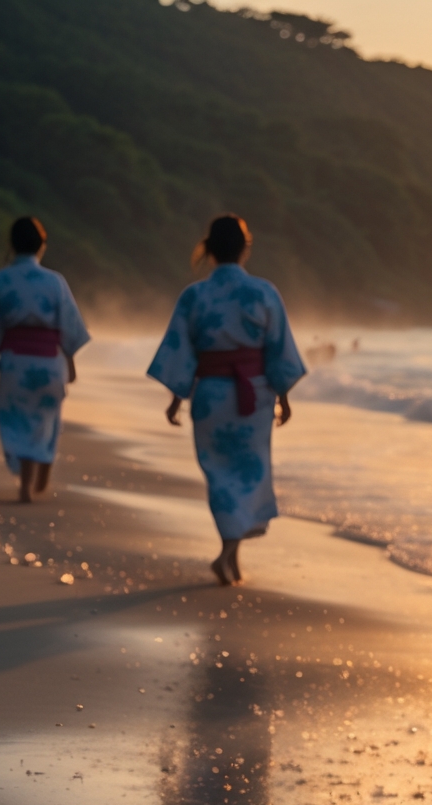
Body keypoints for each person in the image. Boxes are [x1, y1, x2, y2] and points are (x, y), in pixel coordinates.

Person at [146, 214, 305, 587]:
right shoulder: (264, 292)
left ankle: (229, 555)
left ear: (209, 249)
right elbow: (278, 351)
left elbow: (179, 353)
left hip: (211, 396)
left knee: (219, 475)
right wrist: (283, 396)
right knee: (249, 473)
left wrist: (175, 399)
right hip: (254, 394)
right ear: (246, 248)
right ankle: (228, 557)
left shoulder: (194, 296)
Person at [0, 216, 91, 503]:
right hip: (50, 363)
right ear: (41, 246)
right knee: (46, 418)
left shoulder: (1, 280)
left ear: (12, 244)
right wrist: (71, 366)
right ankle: (42, 463)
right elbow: (68, 328)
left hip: (14, 364)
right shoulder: (55, 282)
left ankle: (25, 483)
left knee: (16, 420)